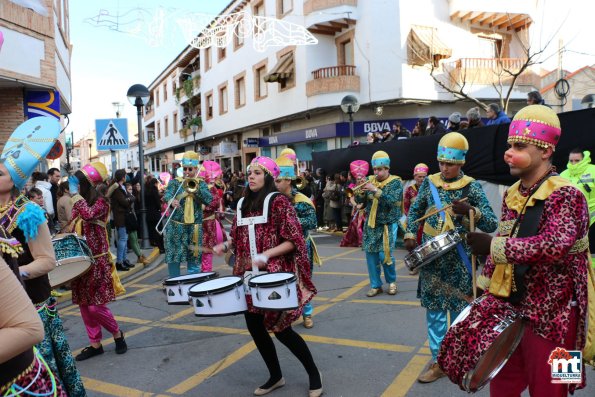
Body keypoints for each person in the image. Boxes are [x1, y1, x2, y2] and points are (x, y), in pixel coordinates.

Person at [467, 105, 591, 396]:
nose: (509, 153)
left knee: (556, 389)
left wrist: (494, 247)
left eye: (519, 146)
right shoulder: (513, 192)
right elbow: (503, 237)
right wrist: (483, 287)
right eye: (510, 145)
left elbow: (555, 245)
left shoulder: (568, 193)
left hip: (561, 317)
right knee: (501, 385)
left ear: (546, 151)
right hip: (512, 310)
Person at [212, 156, 322, 397]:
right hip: (248, 278)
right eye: (249, 172)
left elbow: (294, 240)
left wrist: (267, 254)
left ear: (269, 177)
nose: (250, 176)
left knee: (282, 329)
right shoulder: (242, 204)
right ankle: (275, 375)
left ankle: (314, 373)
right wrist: (225, 245)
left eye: (257, 173)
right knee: (255, 327)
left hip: (273, 276)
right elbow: (237, 236)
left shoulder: (279, 203)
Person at [0, 116, 86, 395]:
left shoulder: (29, 212)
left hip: (32, 302)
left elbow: (47, 261)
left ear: (14, 180)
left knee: (41, 370)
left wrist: (16, 275)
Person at [404, 132, 498, 383]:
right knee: (435, 314)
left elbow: (491, 222)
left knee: (461, 313)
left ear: (461, 163)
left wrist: (471, 212)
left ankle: (461, 359)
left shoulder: (472, 186)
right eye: (441, 163)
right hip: (432, 261)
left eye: (450, 164)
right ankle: (439, 362)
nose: (444, 168)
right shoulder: (430, 182)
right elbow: (415, 210)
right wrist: (411, 234)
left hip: (461, 262)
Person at [69, 162, 127, 361]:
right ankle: (95, 343)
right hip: (80, 262)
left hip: (97, 261)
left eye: (79, 184)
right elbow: (75, 222)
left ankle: (117, 334)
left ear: (88, 184)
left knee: (95, 307)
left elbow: (88, 215)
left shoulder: (102, 203)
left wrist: (75, 196)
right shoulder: (81, 202)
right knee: (84, 306)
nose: (76, 188)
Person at [0, 255, 67, 397]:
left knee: (58, 364)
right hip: (23, 306)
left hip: (36, 305)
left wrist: (16, 273)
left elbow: (47, 260)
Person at [275, 154, 319, 329]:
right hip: (280, 248)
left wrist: (290, 222)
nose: (276, 184)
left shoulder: (301, 200)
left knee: (303, 280)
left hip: (301, 247)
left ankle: (307, 313)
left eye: (279, 180)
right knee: (283, 280)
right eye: (275, 180)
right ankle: (284, 313)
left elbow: (312, 222)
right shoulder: (273, 199)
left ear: (288, 181)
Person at [354, 151, 403, 297]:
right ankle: (376, 285)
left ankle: (392, 282)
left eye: (380, 169)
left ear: (387, 169)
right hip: (371, 224)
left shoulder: (396, 182)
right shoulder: (369, 180)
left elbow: (393, 202)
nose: (377, 172)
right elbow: (360, 203)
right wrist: (360, 192)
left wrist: (375, 190)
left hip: (387, 224)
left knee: (385, 255)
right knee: (371, 256)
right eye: (375, 169)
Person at [163, 151, 212, 277]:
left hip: (194, 227)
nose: (187, 172)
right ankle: (174, 282)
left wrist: (196, 191)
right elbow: (167, 194)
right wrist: (171, 201)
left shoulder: (201, 183)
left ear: (196, 169)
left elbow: (208, 199)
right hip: (176, 226)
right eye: (185, 169)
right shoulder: (175, 182)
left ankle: (193, 282)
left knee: (194, 257)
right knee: (174, 256)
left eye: (190, 169)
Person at [560, 148, 595, 257]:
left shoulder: (593, 170)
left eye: (577, 160)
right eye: (571, 161)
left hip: (593, 216)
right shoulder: (563, 175)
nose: (573, 163)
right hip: (572, 219)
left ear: (583, 159)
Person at [403, 163, 429, 275]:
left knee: (426, 244)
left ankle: (426, 266)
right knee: (411, 244)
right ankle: (416, 264)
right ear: (414, 177)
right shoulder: (410, 190)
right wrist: (411, 218)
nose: (422, 179)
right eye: (419, 176)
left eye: (424, 176)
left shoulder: (430, 189)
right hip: (414, 222)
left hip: (427, 221)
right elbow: (406, 206)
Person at [199, 160, 225, 272]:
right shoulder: (200, 187)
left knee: (207, 249)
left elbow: (213, 204)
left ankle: (206, 271)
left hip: (208, 224)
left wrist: (204, 205)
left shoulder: (213, 189)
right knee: (200, 250)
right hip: (199, 223)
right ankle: (203, 271)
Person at [108, 169, 135, 271]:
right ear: (122, 177)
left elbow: (131, 197)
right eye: (125, 175)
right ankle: (119, 262)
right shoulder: (117, 188)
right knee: (123, 239)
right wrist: (129, 199)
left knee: (125, 238)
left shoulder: (122, 187)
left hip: (125, 216)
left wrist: (129, 198)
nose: (126, 176)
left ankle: (124, 260)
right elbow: (124, 201)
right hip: (120, 217)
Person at [341, 160, 369, 248]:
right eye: (358, 178)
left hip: (367, 210)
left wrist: (363, 204)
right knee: (357, 227)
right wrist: (356, 205)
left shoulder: (368, 186)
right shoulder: (352, 187)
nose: (360, 180)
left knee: (366, 227)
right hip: (357, 210)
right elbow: (351, 198)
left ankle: (366, 241)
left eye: (361, 178)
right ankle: (360, 242)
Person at [125, 182, 148, 265]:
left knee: (135, 238)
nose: (130, 191)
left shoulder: (131, 197)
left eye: (131, 189)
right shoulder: (127, 197)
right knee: (133, 239)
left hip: (133, 218)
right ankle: (139, 256)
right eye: (129, 189)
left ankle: (140, 255)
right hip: (128, 219)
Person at [145, 177, 164, 253]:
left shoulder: (146, 191)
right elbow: (157, 203)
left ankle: (154, 243)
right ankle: (161, 248)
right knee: (159, 231)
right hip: (156, 214)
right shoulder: (154, 190)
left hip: (148, 214)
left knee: (152, 230)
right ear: (155, 183)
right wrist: (160, 205)